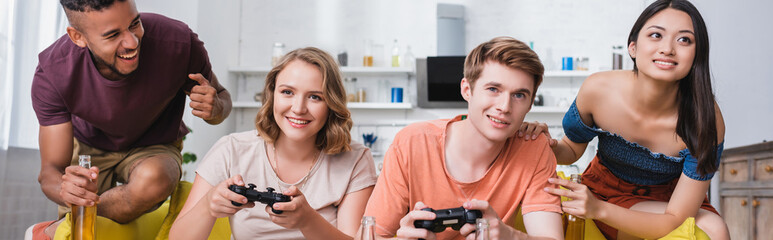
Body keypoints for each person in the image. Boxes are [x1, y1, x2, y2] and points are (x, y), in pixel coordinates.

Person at [522, 0, 730, 239]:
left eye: (684, 40)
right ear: (632, 47)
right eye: (656, 35)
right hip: (604, 190)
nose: (667, 49)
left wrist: (599, 210)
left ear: (697, 54)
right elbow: (571, 148)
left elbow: (675, 218)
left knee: (715, 229)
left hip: (672, 201)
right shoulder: (598, 89)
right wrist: (546, 143)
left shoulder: (706, 118)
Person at [30, 0, 231, 238]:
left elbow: (221, 98)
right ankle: (63, 227)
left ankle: (61, 227)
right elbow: (50, 172)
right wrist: (65, 189)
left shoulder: (177, 42)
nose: (132, 42)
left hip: (154, 144)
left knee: (155, 180)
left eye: (135, 23)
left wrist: (215, 107)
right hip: (88, 146)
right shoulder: (54, 71)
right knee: (84, 231)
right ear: (78, 37)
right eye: (112, 35)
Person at [363, 37, 563, 240]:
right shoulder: (412, 143)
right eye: (493, 89)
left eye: (519, 95)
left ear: (530, 104)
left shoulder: (533, 148)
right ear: (467, 90)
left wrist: (509, 236)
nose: (504, 107)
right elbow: (367, 235)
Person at [169, 47, 378, 240]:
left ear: (332, 104)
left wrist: (308, 221)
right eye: (287, 92)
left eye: (315, 97)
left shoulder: (355, 159)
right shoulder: (231, 150)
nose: (298, 108)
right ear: (272, 94)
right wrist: (207, 206)